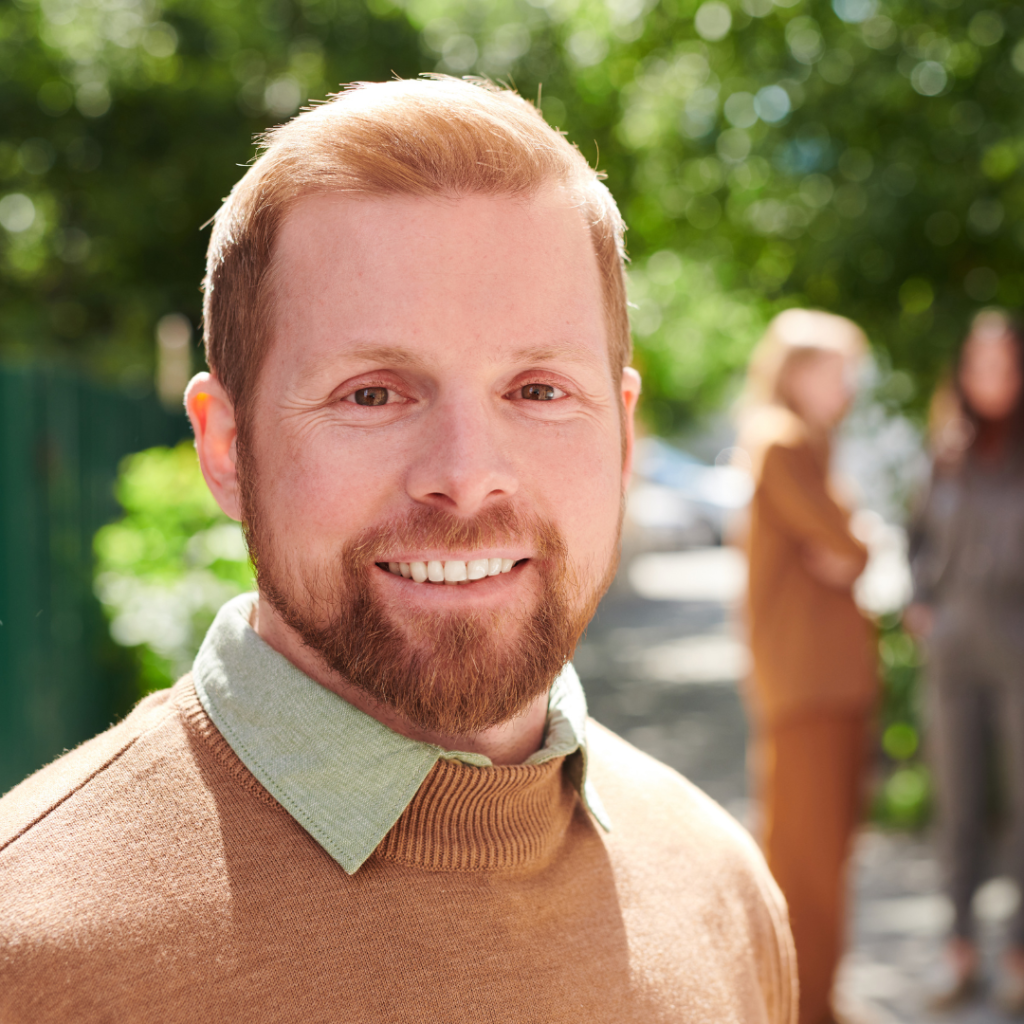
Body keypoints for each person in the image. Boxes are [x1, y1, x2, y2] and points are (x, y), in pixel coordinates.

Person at [0, 78, 797, 1023]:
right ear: (227, 449)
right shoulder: (31, 955)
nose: (467, 477)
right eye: (372, 394)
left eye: (538, 391)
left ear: (622, 439)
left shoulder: (719, 885)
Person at [737, 309, 879, 1024]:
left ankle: (815, 998)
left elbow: (846, 553)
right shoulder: (783, 442)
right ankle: (802, 1006)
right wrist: (855, 542)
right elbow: (849, 548)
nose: (848, 386)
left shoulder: (807, 443)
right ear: (795, 373)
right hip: (807, 685)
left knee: (823, 851)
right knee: (807, 858)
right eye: (836, 370)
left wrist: (850, 547)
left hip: (827, 682)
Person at [905, 309, 1024, 1013]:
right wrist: (921, 602)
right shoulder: (945, 450)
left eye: (1005, 364)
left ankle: (1018, 955)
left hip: (1019, 653)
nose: (992, 378)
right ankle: (959, 950)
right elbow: (915, 536)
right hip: (953, 656)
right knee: (958, 804)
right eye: (980, 364)